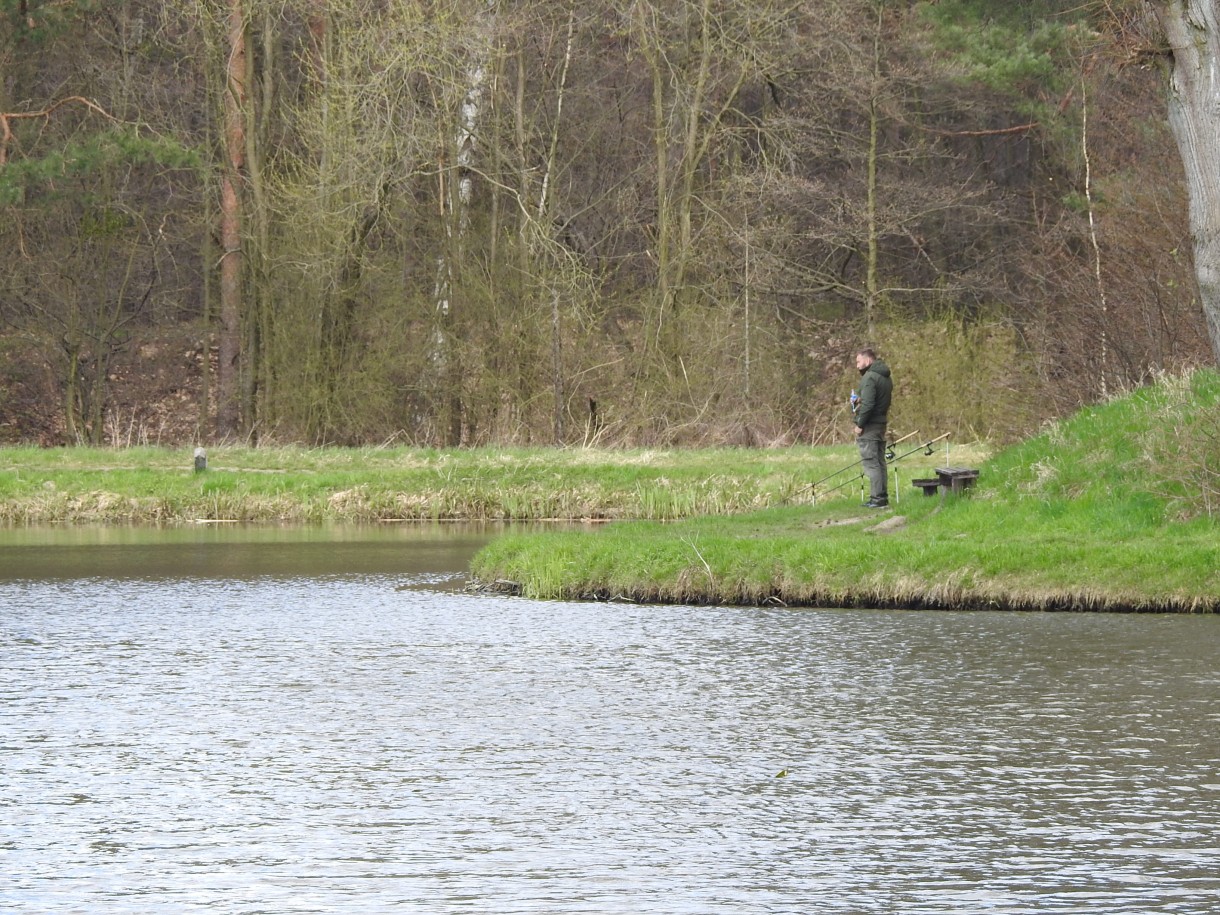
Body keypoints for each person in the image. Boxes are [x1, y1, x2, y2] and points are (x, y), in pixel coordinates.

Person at [852, 347, 893, 508]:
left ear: (868, 360)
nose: (857, 366)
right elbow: (876, 400)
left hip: (870, 425)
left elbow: (869, 405)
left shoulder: (869, 377)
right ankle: (882, 496)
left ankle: (877, 498)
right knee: (880, 461)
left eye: (858, 361)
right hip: (881, 423)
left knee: (871, 461)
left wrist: (860, 425)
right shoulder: (885, 377)